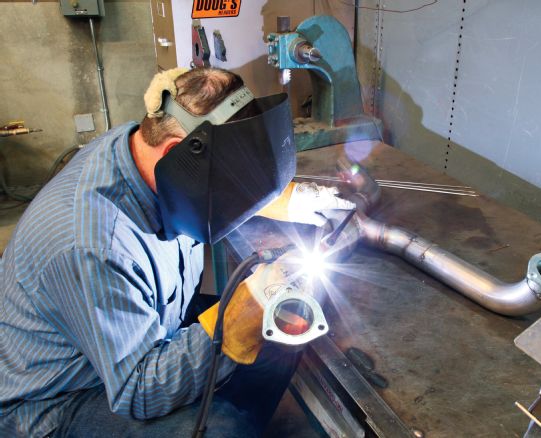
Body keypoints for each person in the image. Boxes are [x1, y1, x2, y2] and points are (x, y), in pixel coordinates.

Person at [0, 67, 354, 437]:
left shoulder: (146, 152)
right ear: (179, 156)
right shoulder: (94, 243)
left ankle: (243, 421)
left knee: (281, 326)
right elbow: (137, 390)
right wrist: (232, 327)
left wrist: (279, 196)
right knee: (222, 429)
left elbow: (221, 176)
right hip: (60, 399)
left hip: (149, 326)